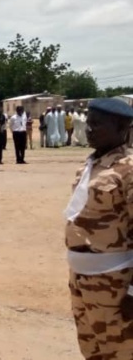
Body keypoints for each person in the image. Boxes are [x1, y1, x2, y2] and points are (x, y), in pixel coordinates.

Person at [64, 98, 133, 360]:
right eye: (89, 123)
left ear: (122, 127)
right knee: (91, 350)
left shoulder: (128, 169)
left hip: (114, 281)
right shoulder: (90, 164)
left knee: (120, 351)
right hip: (82, 277)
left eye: (97, 125)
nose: (89, 129)